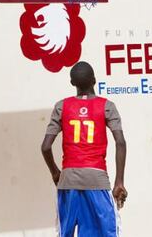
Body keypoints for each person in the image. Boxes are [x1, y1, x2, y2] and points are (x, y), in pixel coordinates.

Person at [41, 61, 127, 237]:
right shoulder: (107, 106)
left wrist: (55, 172)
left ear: (72, 83)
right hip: (97, 177)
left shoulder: (61, 106)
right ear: (94, 80)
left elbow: (45, 147)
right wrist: (119, 181)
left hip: (68, 179)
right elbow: (120, 142)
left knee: (66, 232)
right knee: (107, 231)